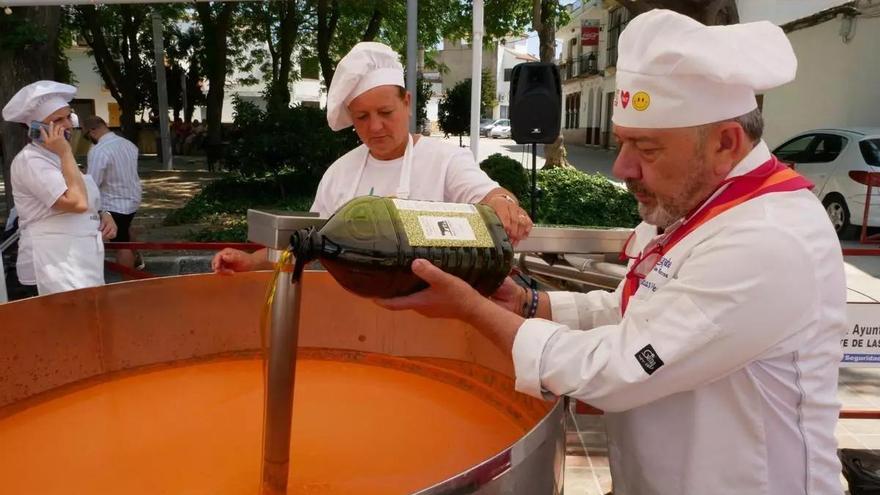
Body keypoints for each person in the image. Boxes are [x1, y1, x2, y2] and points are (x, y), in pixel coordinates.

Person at [377, 10, 846, 495]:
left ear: (725, 143)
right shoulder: (690, 206)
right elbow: (638, 310)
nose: (622, 168)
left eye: (647, 148)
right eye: (622, 143)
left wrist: (473, 310)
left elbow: (622, 369)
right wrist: (530, 304)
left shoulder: (768, 239)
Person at [213, 42, 533, 274]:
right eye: (362, 117)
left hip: (433, 319)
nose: (375, 126)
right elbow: (304, 246)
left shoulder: (445, 160)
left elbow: (489, 195)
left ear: (407, 102)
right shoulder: (340, 173)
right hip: (354, 317)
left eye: (385, 112)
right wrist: (249, 263)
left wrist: (503, 202)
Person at [2, 81, 117, 295]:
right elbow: (76, 202)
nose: (68, 124)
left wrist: (102, 214)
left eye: (68, 116)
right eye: (57, 120)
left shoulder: (58, 157)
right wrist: (65, 153)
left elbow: (86, 199)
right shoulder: (32, 161)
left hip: (78, 263)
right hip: (52, 267)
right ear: (36, 128)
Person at [83, 116, 143, 270]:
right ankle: (137, 258)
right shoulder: (128, 144)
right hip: (132, 198)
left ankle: (128, 280)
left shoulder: (98, 151)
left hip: (113, 202)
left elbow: (93, 183)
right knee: (125, 228)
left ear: (92, 131)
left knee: (120, 243)